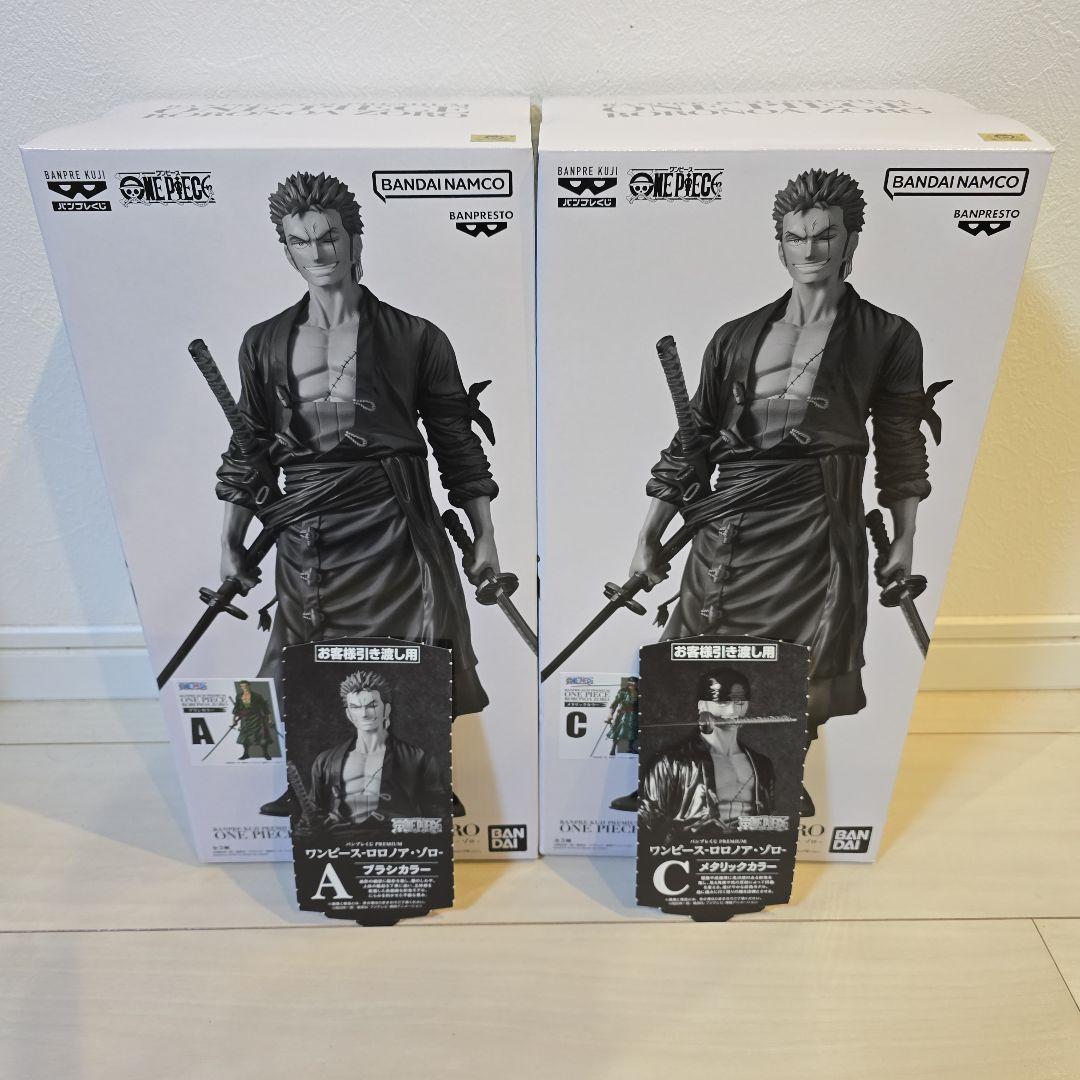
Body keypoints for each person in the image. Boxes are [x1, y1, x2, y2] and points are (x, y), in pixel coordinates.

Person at [625, 168, 944, 814]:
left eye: (825, 236)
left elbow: (901, 446)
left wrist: (905, 539)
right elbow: (690, 443)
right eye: (797, 237)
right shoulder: (735, 336)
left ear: (851, 240)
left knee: (797, 657)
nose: (811, 250)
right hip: (729, 519)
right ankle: (672, 777)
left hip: (817, 519)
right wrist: (648, 534)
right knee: (690, 646)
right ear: (780, 245)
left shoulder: (888, 336)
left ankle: (776, 778)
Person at [212, 172, 501, 814]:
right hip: (306, 527)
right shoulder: (264, 342)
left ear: (353, 239)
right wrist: (229, 541)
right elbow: (247, 448)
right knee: (307, 650)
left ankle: (422, 779)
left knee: (417, 646)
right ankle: (311, 784)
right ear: (286, 249)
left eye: (328, 237)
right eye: (301, 241)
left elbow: (456, 443)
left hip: (394, 518)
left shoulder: (416, 336)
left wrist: (485, 535)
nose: (317, 252)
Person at [300, 669, 447, 832]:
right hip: (342, 846)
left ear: (386, 709)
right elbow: (312, 816)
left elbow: (440, 823)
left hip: (396, 845)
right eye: (356, 707)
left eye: (372, 705)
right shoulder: (326, 761)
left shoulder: (418, 758)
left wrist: (390, 827)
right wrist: (312, 829)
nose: (364, 714)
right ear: (349, 714)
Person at [639, 668, 774, 840]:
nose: (732, 712)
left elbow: (771, 820)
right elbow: (648, 822)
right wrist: (691, 833)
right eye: (722, 703)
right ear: (702, 705)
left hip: (748, 851)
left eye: (740, 702)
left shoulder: (761, 764)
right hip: (695, 852)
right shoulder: (670, 762)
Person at [233, 679, 278, 760]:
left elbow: (265, 708)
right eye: (242, 686)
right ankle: (246, 754)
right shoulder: (239, 696)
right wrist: (234, 720)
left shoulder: (257, 696)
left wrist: (269, 719)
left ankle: (266, 754)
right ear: (241, 687)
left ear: (249, 686)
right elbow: (236, 709)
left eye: (246, 686)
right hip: (245, 720)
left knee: (262, 737)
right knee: (245, 738)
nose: (244, 688)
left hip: (257, 719)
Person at [606, 676, 639, 756]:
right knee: (617, 731)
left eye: (634, 683)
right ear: (628, 683)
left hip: (633, 714)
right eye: (631, 683)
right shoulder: (623, 691)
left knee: (633, 731)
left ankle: (630, 747)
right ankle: (613, 748)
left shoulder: (638, 692)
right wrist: (610, 714)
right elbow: (615, 703)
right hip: (623, 714)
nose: (632, 685)